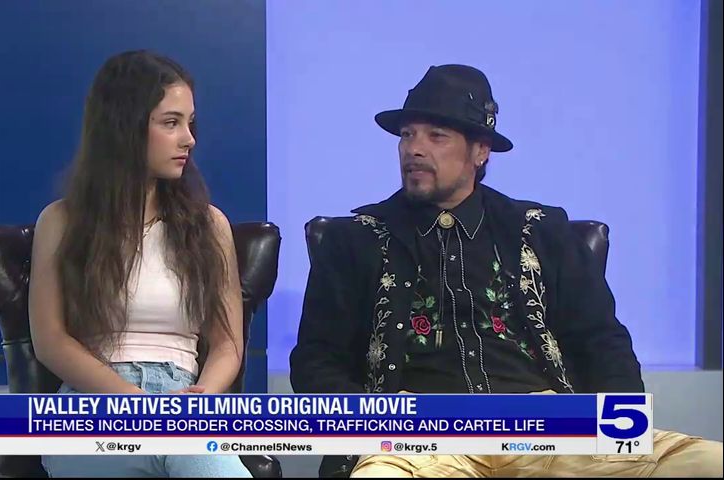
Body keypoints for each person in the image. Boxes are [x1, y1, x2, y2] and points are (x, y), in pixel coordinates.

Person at [290, 64, 722, 478]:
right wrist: (375, 423)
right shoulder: (356, 239)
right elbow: (317, 360)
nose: (413, 149)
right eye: (407, 135)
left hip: (548, 426)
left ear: (480, 151)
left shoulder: (542, 230)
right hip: (417, 432)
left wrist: (619, 435)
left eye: (436, 136)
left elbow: (602, 342)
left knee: (708, 464)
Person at [29, 50, 250, 477]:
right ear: (124, 128)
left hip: (183, 401)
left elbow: (228, 344)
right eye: (171, 123)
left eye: (190, 123)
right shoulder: (61, 221)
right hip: (93, 403)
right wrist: (132, 401)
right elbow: (51, 340)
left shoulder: (210, 226)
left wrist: (202, 397)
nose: (189, 139)